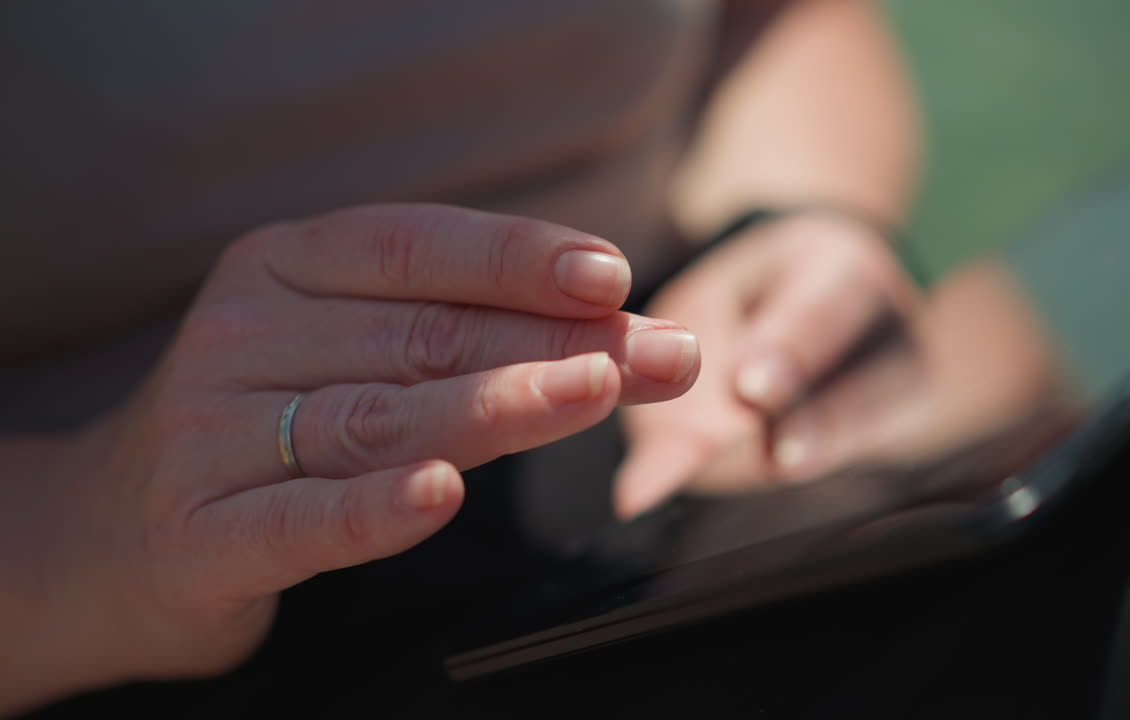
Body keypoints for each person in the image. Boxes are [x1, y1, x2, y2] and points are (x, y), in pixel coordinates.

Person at [0, 1, 922, 714]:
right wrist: (84, 539)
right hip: (102, 594)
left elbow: (773, 21)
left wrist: (794, 216)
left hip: (672, 436)